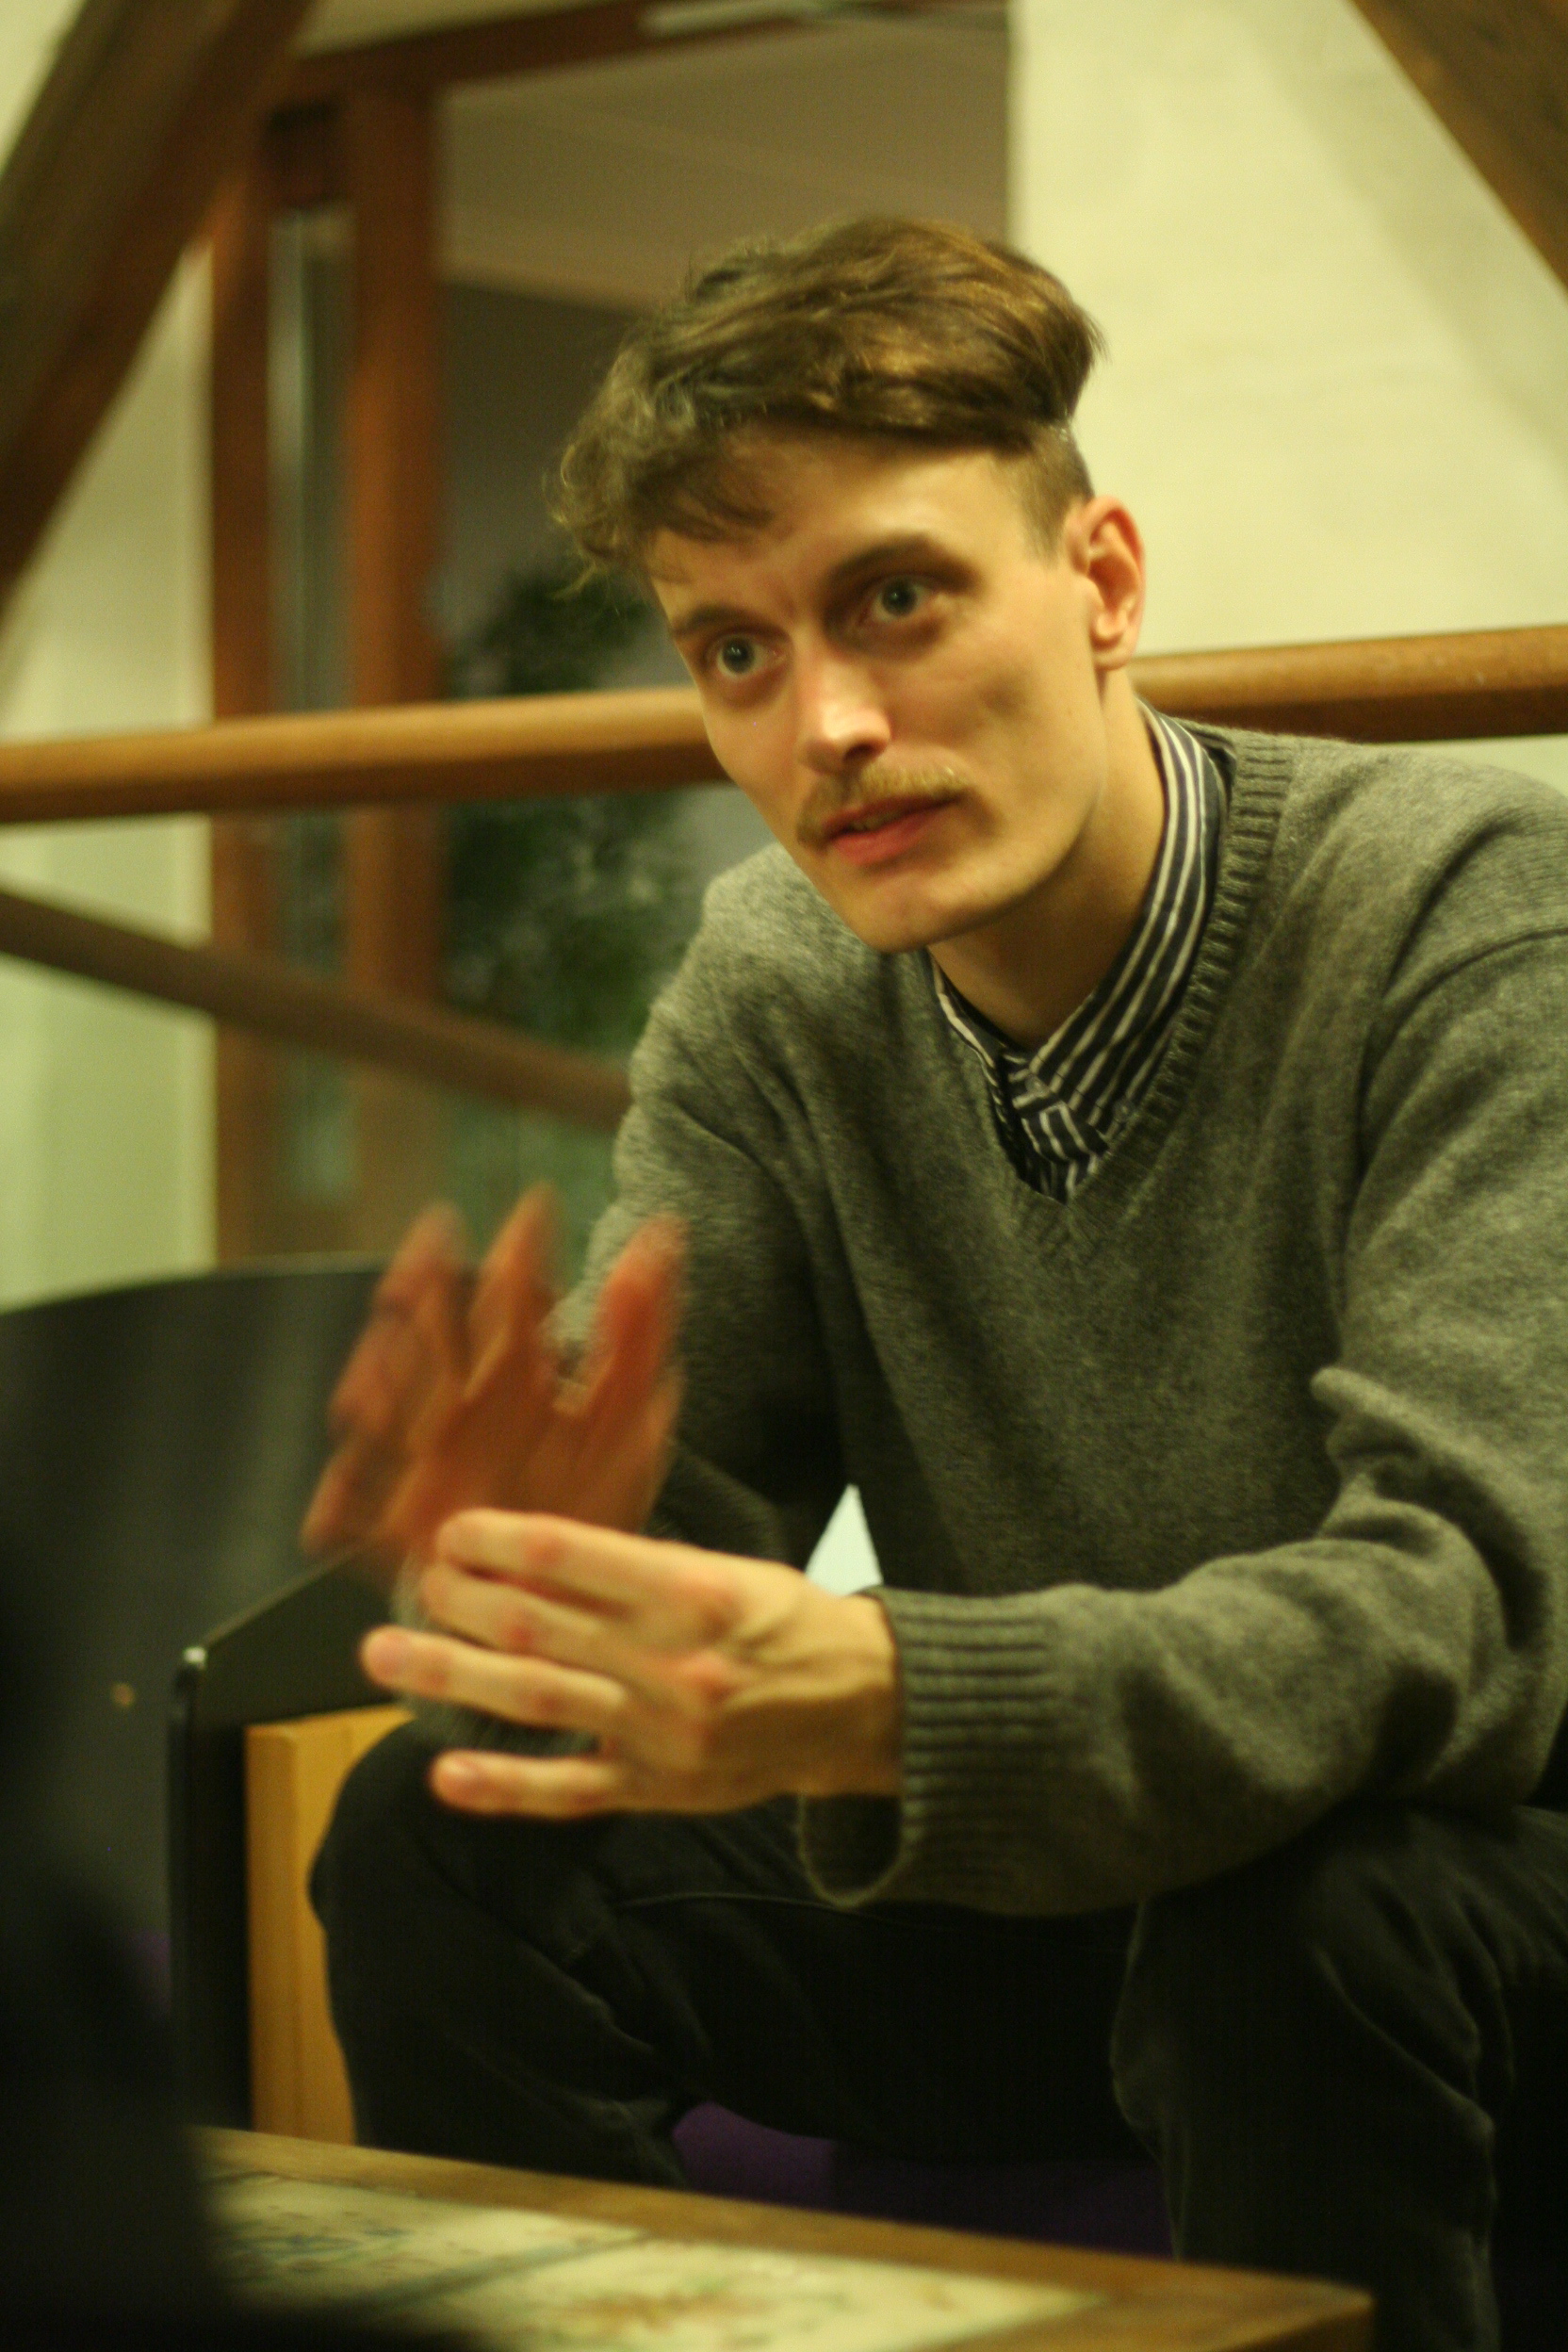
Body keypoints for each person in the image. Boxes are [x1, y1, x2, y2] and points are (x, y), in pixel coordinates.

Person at [308, 218, 1568, 2352]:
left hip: (1476, 1890)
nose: (830, 725)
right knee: (437, 1844)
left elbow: (1456, 1625)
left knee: (1301, 1911)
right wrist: (547, 1575)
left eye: (896, 598)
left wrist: (902, 1699)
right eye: (735, 651)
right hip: (1107, 1880)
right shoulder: (779, 991)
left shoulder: (1470, 916)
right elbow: (690, 1538)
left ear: (1102, 582)